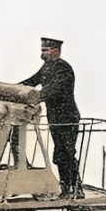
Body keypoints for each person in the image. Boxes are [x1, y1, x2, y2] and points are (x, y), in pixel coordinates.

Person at [20, 37, 83, 198]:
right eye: (42, 50)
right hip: (56, 118)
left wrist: (37, 97)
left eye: (46, 50)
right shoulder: (47, 67)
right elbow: (33, 81)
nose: (43, 53)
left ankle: (75, 187)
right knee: (60, 153)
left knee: (67, 153)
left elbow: (54, 89)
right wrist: (14, 88)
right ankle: (67, 186)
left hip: (67, 118)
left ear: (56, 50)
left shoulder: (63, 68)